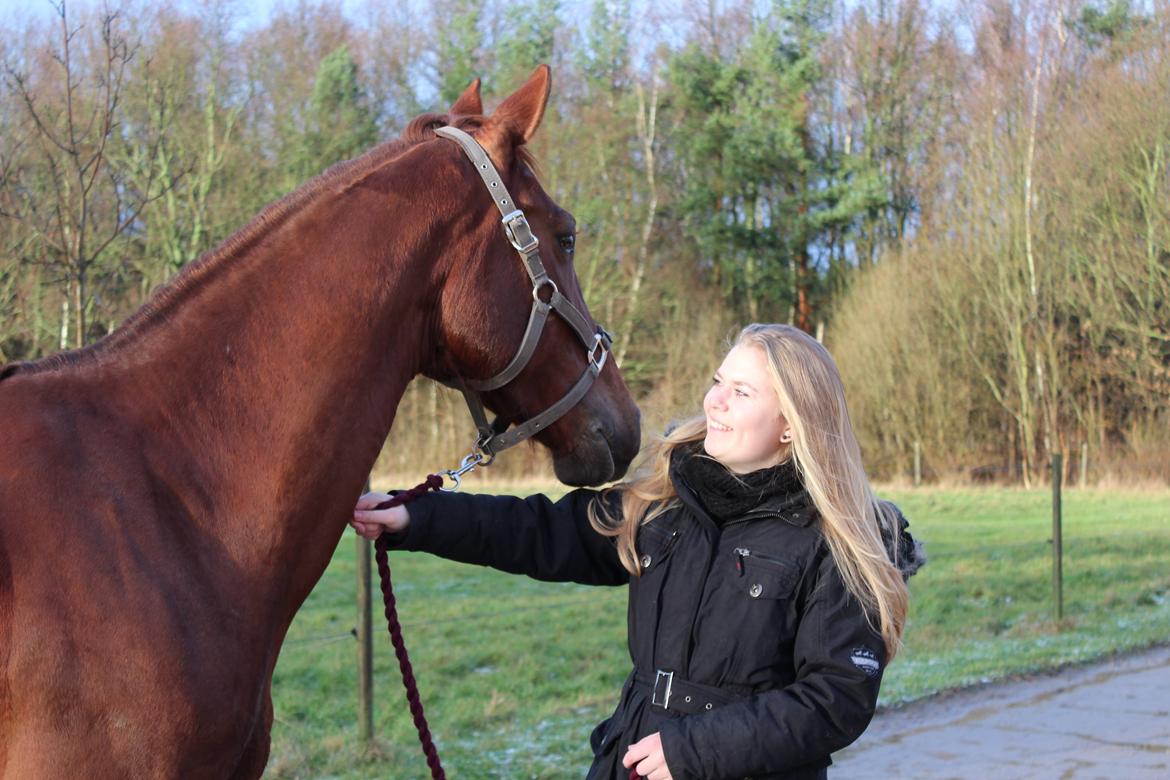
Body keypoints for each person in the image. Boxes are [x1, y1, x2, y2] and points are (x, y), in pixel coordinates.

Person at [351, 323, 924, 780]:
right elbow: (540, 532)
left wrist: (695, 752)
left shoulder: (835, 543)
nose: (715, 401)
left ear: (791, 426)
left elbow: (833, 702)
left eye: (741, 392)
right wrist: (417, 517)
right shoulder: (666, 502)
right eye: (719, 381)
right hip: (632, 759)